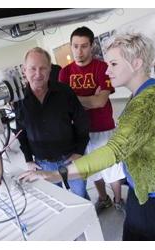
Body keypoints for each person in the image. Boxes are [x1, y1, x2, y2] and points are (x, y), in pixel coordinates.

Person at [19, 33, 155, 240]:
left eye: (114, 64)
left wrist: (58, 174)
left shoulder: (147, 102)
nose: (107, 70)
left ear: (136, 63)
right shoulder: (147, 91)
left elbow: (114, 150)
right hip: (148, 183)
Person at [59, 26, 125, 213]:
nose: (79, 51)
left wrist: (75, 99)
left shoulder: (102, 67)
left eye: (84, 46)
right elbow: (65, 105)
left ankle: (119, 200)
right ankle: (104, 199)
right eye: (75, 46)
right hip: (80, 132)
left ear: (92, 46)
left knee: (112, 168)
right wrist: (90, 99)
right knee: (93, 171)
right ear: (71, 46)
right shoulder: (65, 73)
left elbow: (100, 101)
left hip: (103, 128)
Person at [14, 47, 89, 199]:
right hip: (43, 164)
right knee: (57, 200)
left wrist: (79, 151)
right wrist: (28, 159)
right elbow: (21, 133)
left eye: (43, 68)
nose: (38, 74)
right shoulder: (19, 101)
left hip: (70, 159)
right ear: (24, 70)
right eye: (32, 68)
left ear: (49, 69)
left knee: (80, 196)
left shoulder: (65, 92)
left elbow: (82, 121)